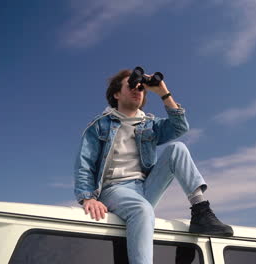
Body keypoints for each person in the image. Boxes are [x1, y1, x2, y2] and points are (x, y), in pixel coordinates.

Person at [74, 68, 233, 264]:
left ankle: (201, 211)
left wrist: (163, 92)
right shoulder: (99, 125)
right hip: (114, 188)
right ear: (116, 94)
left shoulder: (148, 124)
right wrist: (87, 198)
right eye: (131, 85)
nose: (137, 90)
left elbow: (180, 127)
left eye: (141, 88)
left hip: (145, 187)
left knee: (178, 148)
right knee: (142, 210)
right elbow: (85, 163)